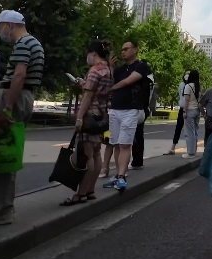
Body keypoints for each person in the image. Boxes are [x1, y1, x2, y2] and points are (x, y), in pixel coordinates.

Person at [0, 10, 43, 227]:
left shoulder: (23, 44)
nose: (0, 31)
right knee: (8, 151)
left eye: (0, 26)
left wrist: (7, 107)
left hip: (13, 97)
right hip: (23, 96)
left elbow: (19, 75)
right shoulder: (35, 44)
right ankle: (1, 207)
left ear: (10, 25)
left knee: (0, 152)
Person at [66, 40, 114, 205]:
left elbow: (88, 97)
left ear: (93, 54)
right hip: (101, 116)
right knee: (96, 153)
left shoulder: (94, 71)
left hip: (90, 116)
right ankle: (91, 190)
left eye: (88, 54)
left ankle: (82, 193)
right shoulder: (108, 71)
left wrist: (79, 117)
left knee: (87, 155)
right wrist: (84, 83)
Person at [103, 41, 152, 191]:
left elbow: (127, 82)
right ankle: (118, 175)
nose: (123, 52)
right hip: (115, 109)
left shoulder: (141, 66)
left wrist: (111, 88)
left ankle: (122, 176)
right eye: (122, 49)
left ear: (135, 50)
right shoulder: (119, 69)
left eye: (126, 49)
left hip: (131, 109)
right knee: (116, 143)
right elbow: (109, 80)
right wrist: (110, 68)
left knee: (125, 144)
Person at [130, 69, 155, 170]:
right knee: (139, 135)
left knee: (133, 136)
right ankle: (138, 160)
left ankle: (136, 161)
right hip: (144, 109)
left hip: (138, 109)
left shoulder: (142, 82)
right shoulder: (150, 81)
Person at [164, 71, 189, 155]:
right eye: (186, 74)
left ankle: (190, 148)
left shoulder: (193, 85)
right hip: (182, 108)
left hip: (190, 109)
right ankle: (173, 147)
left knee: (189, 130)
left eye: (189, 74)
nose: (187, 75)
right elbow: (180, 95)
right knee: (178, 127)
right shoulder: (181, 84)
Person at [182, 70, 201, 158]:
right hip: (197, 110)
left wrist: (184, 111)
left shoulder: (188, 86)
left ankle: (190, 152)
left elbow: (186, 100)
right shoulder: (199, 87)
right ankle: (194, 150)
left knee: (189, 132)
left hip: (189, 110)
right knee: (195, 132)